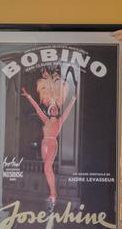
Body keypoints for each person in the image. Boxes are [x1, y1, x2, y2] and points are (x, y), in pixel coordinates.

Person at [20, 70, 79, 206]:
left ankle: (53, 193)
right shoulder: (45, 120)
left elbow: (67, 111)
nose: (53, 110)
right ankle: (53, 193)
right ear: (49, 110)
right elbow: (37, 109)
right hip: (44, 144)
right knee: (47, 169)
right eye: (51, 109)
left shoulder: (59, 121)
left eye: (55, 109)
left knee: (47, 166)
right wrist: (29, 96)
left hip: (52, 143)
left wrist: (74, 99)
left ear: (57, 111)